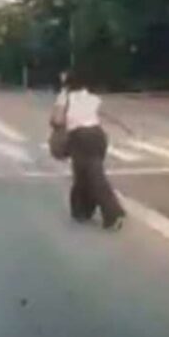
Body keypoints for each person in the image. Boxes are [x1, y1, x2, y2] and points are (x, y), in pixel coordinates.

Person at [54, 68, 125, 231]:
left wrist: (60, 121)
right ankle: (82, 211)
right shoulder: (91, 97)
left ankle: (113, 212)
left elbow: (57, 120)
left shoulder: (65, 96)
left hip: (80, 137)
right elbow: (104, 115)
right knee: (85, 174)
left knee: (93, 176)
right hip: (97, 136)